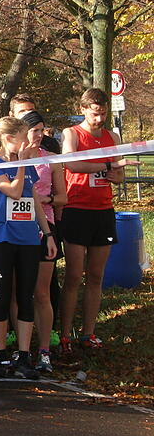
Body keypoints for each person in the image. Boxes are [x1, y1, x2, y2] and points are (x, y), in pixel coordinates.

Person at [58, 88, 132, 352]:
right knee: (74, 275)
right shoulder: (72, 134)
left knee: (96, 276)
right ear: (84, 109)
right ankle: (64, 333)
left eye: (102, 114)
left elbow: (120, 173)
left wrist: (115, 174)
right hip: (77, 208)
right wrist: (107, 167)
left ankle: (88, 333)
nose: (99, 119)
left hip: (103, 210)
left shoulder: (113, 136)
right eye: (94, 114)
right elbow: (72, 164)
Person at [0, 117, 55, 379]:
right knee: (2, 296)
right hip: (2, 238)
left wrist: (47, 233)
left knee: (26, 296)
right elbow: (12, 191)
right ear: (8, 139)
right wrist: (21, 164)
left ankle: (23, 355)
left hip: (27, 239)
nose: (28, 142)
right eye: (23, 137)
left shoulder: (28, 165)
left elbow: (33, 199)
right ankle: (1, 353)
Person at [23, 110, 68, 373]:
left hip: (45, 226)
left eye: (42, 130)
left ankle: (44, 351)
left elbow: (63, 197)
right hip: (16, 226)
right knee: (19, 292)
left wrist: (46, 201)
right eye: (34, 130)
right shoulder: (11, 159)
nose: (39, 135)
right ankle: (21, 349)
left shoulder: (51, 160)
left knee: (41, 292)